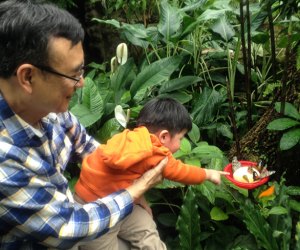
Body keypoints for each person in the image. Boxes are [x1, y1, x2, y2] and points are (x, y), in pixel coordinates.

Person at [0, 1, 167, 249]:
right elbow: (68, 226)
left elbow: (86, 146)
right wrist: (135, 189)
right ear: (28, 77)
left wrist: (124, 174)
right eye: (74, 74)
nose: (81, 83)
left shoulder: (46, 107)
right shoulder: (5, 159)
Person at [74, 97, 230, 249]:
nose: (181, 143)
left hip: (107, 199)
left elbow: (122, 178)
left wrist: (141, 200)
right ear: (163, 136)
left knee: (146, 224)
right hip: (94, 214)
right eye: (181, 138)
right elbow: (180, 171)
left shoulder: (127, 137)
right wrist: (208, 174)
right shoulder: (155, 151)